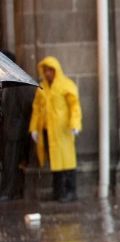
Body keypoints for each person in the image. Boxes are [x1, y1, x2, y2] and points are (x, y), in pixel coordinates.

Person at [28, 56, 82, 202]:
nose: (47, 74)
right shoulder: (42, 88)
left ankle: (70, 191)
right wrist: (34, 128)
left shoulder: (66, 85)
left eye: (50, 71)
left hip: (63, 130)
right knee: (55, 162)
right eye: (45, 71)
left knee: (67, 161)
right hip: (49, 131)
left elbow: (74, 106)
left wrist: (75, 124)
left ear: (55, 71)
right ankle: (59, 192)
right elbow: (37, 109)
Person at [0, 50, 35, 201]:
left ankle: (10, 191)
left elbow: (28, 109)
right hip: (6, 131)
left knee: (12, 164)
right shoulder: (5, 83)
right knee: (7, 162)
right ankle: (7, 189)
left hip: (15, 132)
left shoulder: (20, 86)